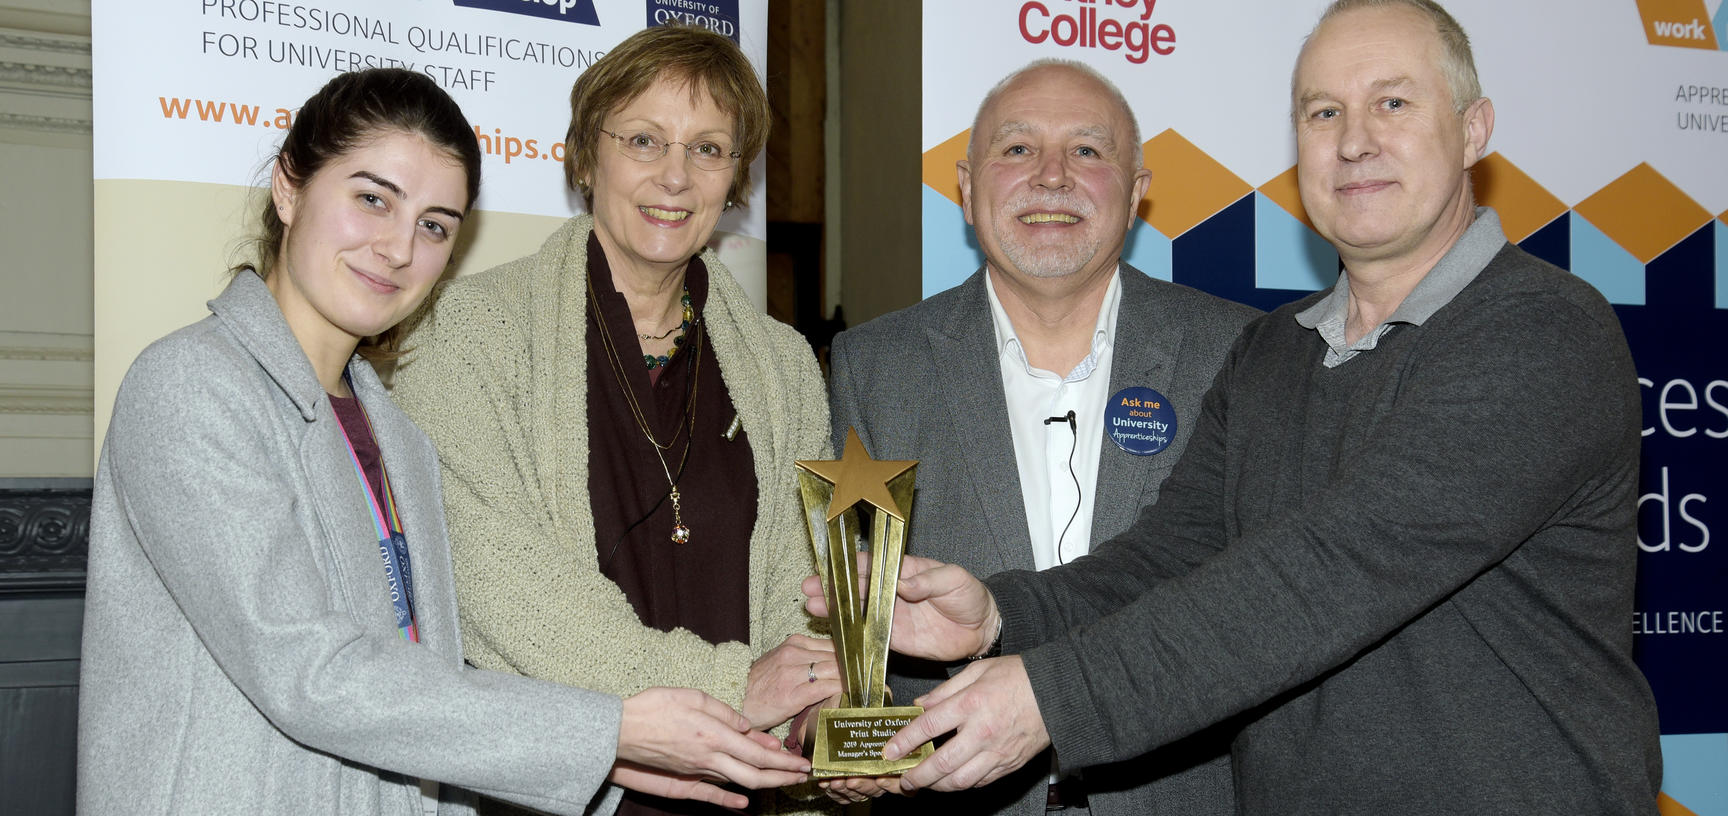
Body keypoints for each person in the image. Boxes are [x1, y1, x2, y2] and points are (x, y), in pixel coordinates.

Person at [811, 1, 1666, 812]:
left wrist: (1051, 697)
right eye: (1323, 113)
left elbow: (1327, 574)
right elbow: (1168, 560)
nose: (1356, 141)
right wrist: (1003, 614)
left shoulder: (1541, 331)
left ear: (1474, 130)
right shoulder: (1274, 348)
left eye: (1393, 103)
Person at [78, 68, 811, 816]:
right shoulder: (191, 385)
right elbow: (309, 673)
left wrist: (625, 749)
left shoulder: (391, 425)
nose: (398, 249)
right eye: (372, 199)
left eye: (434, 225)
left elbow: (423, 680)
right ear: (289, 187)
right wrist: (611, 728)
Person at [391, 26, 836, 816]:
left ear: (735, 180)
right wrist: (740, 686)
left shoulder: (784, 365)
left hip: (744, 788)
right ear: (585, 158)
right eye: (643, 140)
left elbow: (802, 593)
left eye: (708, 149)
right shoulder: (465, 334)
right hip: (552, 794)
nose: (675, 176)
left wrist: (813, 706)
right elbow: (502, 593)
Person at [823, 60, 1258, 814]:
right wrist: (848, 730)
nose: (1052, 177)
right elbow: (858, 616)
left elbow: (1260, 606)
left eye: (1088, 151)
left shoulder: (1240, 352)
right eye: (1017, 149)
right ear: (964, 187)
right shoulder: (875, 365)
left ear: (1137, 190)